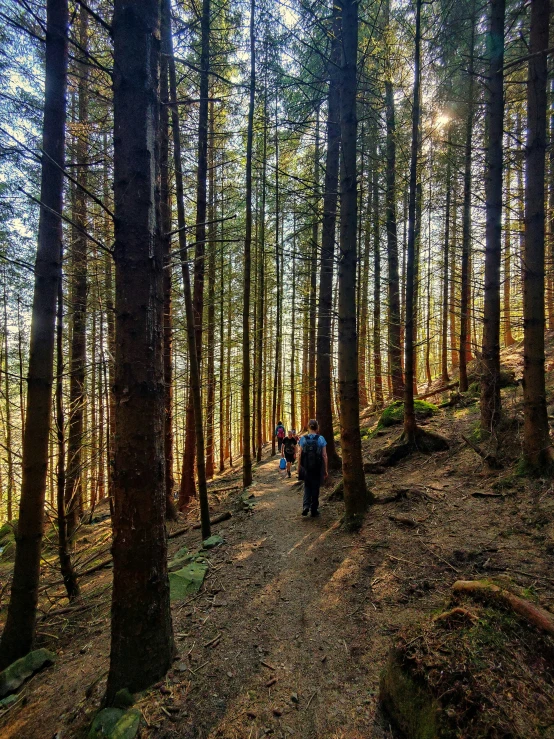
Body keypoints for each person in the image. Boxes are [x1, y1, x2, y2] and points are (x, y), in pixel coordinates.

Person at [298, 418, 328, 517]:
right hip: (317, 468)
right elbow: (324, 455)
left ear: (308, 427)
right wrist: (326, 469)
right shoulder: (321, 439)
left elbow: (300, 454)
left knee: (307, 486)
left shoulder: (303, 439)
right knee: (315, 487)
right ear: (317, 427)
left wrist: (299, 468)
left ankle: (306, 506)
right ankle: (314, 509)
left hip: (306, 467)